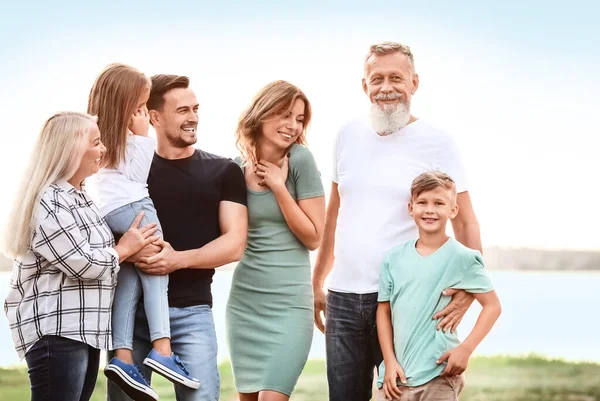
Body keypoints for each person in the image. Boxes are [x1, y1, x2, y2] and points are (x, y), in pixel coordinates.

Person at [311, 41, 484, 401]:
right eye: (377, 78)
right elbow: (334, 215)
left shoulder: (438, 142)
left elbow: (465, 223)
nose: (386, 86)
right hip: (343, 298)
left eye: (396, 77)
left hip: (408, 300)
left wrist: (469, 289)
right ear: (365, 85)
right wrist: (317, 282)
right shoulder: (347, 135)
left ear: (414, 83)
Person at [106, 74, 248, 401]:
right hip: (131, 317)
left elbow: (235, 243)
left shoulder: (224, 171)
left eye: (195, 108)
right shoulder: (128, 172)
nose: (193, 117)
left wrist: (177, 260)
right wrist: (128, 250)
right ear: (154, 117)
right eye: (183, 110)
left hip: (192, 314)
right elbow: (104, 227)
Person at [2, 112, 158, 401]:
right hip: (58, 331)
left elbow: (94, 250)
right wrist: (125, 248)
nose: (103, 150)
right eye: (96, 143)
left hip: (83, 330)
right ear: (71, 150)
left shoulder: (81, 196)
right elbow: (83, 262)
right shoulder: (48, 200)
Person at [88, 63, 199, 401]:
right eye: (140, 105)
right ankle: (162, 349)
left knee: (131, 277)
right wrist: (142, 133)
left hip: (110, 209)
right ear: (126, 105)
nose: (144, 113)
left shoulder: (96, 133)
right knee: (157, 269)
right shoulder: (127, 135)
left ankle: (121, 357)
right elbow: (138, 175)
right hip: (135, 206)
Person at [226, 80, 326, 401]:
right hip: (246, 304)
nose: (293, 126)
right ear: (262, 113)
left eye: (299, 119)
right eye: (285, 115)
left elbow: (314, 237)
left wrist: (280, 188)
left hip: (289, 304)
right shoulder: (234, 168)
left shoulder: (300, 161)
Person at [376, 171, 501, 401]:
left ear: (453, 210)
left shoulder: (463, 258)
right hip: (396, 378)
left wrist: (465, 349)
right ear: (410, 208)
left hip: (439, 374)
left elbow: (492, 306)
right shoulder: (392, 259)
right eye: (422, 202)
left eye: (439, 203)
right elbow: (383, 311)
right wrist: (390, 361)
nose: (430, 210)